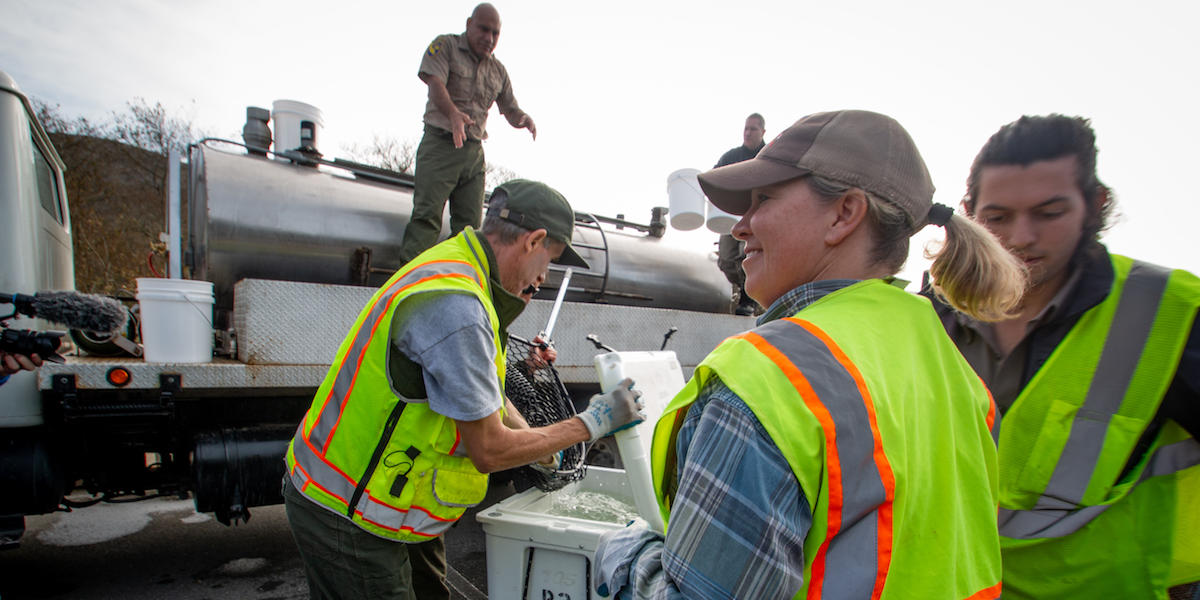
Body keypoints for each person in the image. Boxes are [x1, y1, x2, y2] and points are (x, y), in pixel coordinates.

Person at [594, 109, 1026, 599]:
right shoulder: (953, 371)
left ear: (845, 213)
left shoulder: (770, 379)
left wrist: (625, 551)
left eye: (763, 200)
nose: (741, 227)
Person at [284, 179, 644, 600]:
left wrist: (545, 446)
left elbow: (482, 388)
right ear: (535, 240)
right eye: (551, 259)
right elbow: (489, 449)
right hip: (347, 509)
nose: (544, 277)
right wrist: (591, 422)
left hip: (393, 498)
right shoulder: (459, 303)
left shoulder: (462, 271)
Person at [928, 114, 1200, 599]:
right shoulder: (925, 318)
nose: (1022, 237)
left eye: (1049, 213)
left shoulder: (1170, 313)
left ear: (1095, 204)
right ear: (968, 213)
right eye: (998, 218)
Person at [400, 3, 537, 264]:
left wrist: (522, 119)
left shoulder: (498, 71)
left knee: (471, 231)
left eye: (495, 33)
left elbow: (509, 107)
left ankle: (459, 287)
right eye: (484, 30)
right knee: (427, 218)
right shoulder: (445, 47)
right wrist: (453, 114)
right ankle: (407, 287)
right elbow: (435, 84)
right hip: (441, 144)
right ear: (468, 24)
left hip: (473, 153)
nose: (489, 38)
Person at [714, 113, 766, 316]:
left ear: (762, 132)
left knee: (746, 255)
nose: (748, 132)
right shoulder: (732, 157)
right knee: (726, 259)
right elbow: (714, 177)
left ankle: (748, 300)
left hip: (757, 217)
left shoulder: (769, 156)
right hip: (732, 215)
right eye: (746, 128)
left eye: (753, 129)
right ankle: (747, 290)